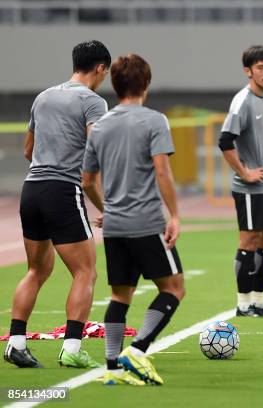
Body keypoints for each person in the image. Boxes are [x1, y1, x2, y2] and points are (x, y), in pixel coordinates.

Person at [4, 40, 110, 369]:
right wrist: (106, 207)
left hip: (32, 189)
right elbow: (95, 156)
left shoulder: (44, 96)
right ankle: (73, 348)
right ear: (100, 69)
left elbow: (27, 150)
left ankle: (15, 343)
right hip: (62, 191)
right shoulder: (94, 102)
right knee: (86, 271)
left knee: (37, 269)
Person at [82, 54, 185, 385]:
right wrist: (175, 216)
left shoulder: (101, 126)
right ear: (146, 84)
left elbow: (87, 181)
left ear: (115, 84)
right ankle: (138, 348)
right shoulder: (154, 120)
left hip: (114, 226)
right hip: (147, 221)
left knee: (120, 296)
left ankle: (111, 369)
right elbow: (162, 170)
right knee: (174, 288)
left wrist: (107, 209)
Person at [219, 45, 263, 318]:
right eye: (261, 67)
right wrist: (245, 172)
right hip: (248, 188)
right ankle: (243, 303)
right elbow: (225, 141)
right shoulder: (242, 101)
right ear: (248, 71)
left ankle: (259, 301)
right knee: (249, 240)